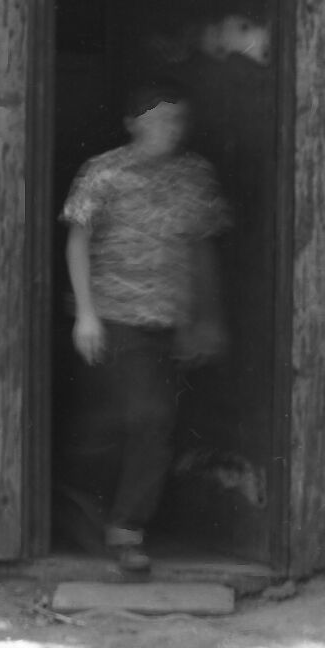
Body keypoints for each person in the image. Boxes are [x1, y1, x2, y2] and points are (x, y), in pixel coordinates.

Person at [62, 75, 229, 574]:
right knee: (147, 417)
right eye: (158, 121)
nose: (170, 130)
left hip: (169, 321)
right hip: (116, 318)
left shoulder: (194, 176)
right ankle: (123, 530)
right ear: (133, 124)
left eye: (177, 121)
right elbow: (78, 242)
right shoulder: (104, 173)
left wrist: (205, 320)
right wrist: (86, 315)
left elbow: (202, 250)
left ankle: (105, 517)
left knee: (144, 422)